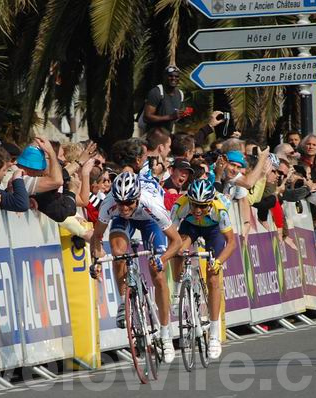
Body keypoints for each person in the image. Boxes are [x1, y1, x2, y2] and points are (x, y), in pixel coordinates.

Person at [89, 171, 182, 363]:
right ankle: (124, 302)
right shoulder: (110, 204)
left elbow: (177, 241)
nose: (124, 207)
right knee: (117, 251)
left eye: (129, 202)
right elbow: (97, 237)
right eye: (120, 202)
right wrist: (96, 260)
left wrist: (162, 259)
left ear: (137, 197)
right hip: (125, 224)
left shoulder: (152, 204)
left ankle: (165, 334)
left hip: (150, 222)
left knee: (157, 273)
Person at [170, 179, 236, 360]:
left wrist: (219, 262)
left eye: (202, 206)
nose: (198, 210)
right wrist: (177, 249)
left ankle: (214, 335)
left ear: (210, 203)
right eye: (194, 205)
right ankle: (177, 292)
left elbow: (231, 243)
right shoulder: (180, 206)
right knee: (178, 249)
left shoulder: (219, 209)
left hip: (213, 231)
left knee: (213, 277)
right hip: (190, 227)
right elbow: (171, 234)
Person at [140, 65, 189, 133]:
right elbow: (147, 117)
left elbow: (176, 117)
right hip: (152, 135)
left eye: (176, 76)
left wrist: (183, 115)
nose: (173, 78)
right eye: (170, 76)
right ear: (164, 76)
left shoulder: (180, 94)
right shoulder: (157, 92)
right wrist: (170, 117)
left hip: (167, 135)